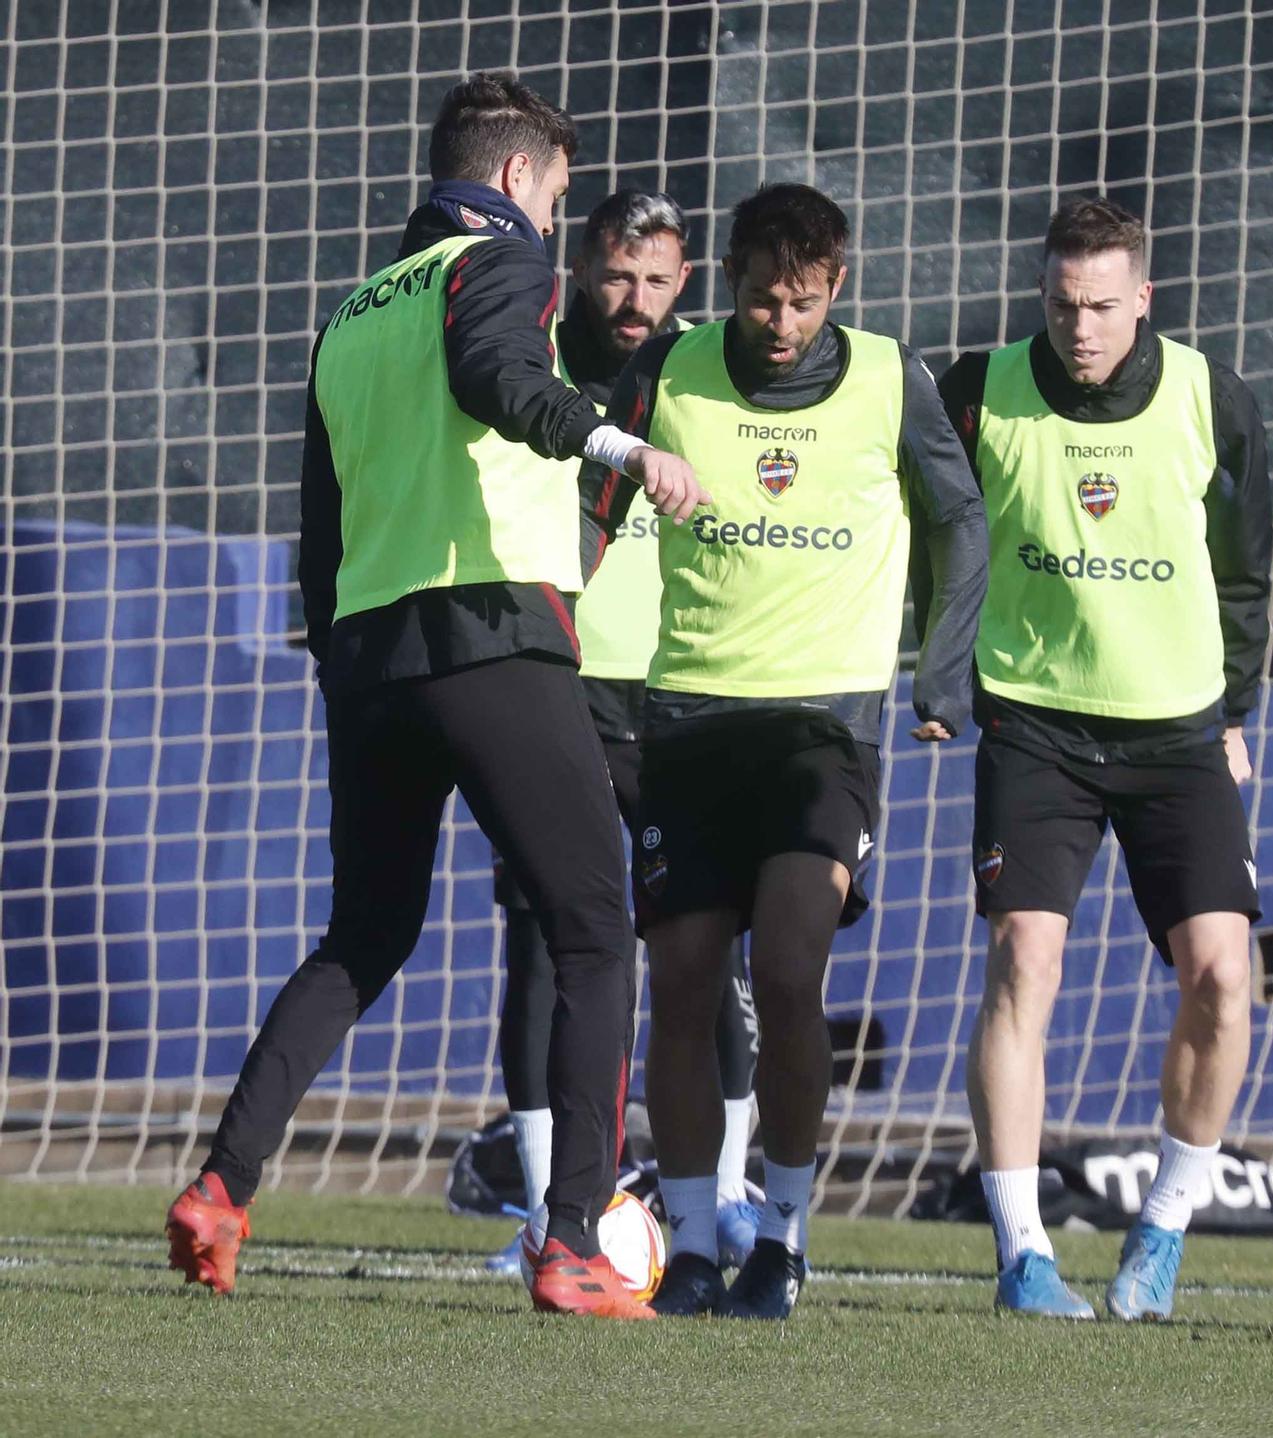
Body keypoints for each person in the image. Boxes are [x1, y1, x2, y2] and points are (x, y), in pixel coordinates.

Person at [163, 73, 705, 1321]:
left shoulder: (350, 312)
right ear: (515, 182)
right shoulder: (499, 267)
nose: (559, 226)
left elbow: (322, 525)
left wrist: (340, 666)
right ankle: (571, 1239)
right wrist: (625, 449)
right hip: (484, 633)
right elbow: (493, 378)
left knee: (366, 933)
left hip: (369, 661)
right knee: (589, 924)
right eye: (560, 197)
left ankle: (221, 1188)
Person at [579, 182, 988, 1320]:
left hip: (825, 729)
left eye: (803, 303)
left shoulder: (888, 377)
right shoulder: (670, 371)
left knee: (793, 973)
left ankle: (789, 1236)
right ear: (728, 284)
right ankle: (699, 1243)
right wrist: (550, 622)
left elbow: (960, 516)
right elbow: (596, 498)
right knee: (685, 988)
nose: (782, 323)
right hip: (690, 722)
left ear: (837, 287)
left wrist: (941, 670)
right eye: (762, 299)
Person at [935, 196, 1273, 1321]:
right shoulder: (978, 390)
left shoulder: (1210, 398)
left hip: (1178, 728)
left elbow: (1243, 572)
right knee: (1024, 961)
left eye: (1100, 306)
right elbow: (921, 525)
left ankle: (1164, 1229)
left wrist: (1234, 712)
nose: (1079, 328)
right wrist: (939, 675)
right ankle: (1024, 1255)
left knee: (1224, 979)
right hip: (1034, 723)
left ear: (1144, 298)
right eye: (1060, 304)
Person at [482, 190, 763, 1277]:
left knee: (709, 940)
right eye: (614, 273)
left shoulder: (706, 371)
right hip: (551, 688)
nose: (633, 299)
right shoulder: (525, 361)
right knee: (544, 946)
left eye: (655, 279)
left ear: (685, 279)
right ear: (579, 263)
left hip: (683, 691)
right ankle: (550, 1210)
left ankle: (730, 1194)